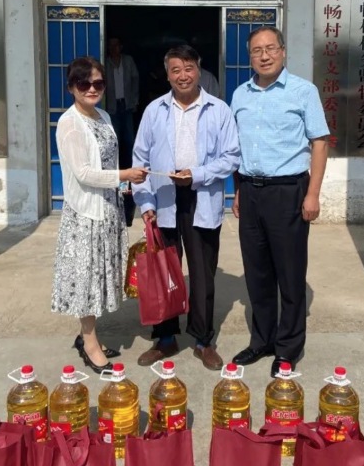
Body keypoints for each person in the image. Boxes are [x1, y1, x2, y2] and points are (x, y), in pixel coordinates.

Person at [132, 45, 241, 370]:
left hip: (201, 197)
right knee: (164, 270)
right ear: (167, 74)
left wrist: (197, 174)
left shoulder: (218, 110)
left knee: (203, 273)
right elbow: (141, 159)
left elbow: (231, 157)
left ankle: (203, 339)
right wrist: (146, 202)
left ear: (200, 70)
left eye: (189, 68)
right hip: (164, 196)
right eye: (176, 69)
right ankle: (165, 338)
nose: (183, 75)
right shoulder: (154, 110)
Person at [230, 27, 329, 377]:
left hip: (288, 191)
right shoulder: (239, 94)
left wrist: (312, 193)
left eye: (271, 48)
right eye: (257, 50)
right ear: (250, 56)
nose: (264, 55)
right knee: (257, 273)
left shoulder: (303, 91)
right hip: (251, 192)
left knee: (289, 274)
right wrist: (238, 188)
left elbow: (320, 142)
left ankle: (287, 348)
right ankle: (262, 340)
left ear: (283, 52)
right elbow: (236, 148)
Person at [51, 56, 147, 373]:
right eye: (84, 83)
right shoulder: (69, 123)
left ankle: (90, 335)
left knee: (103, 278)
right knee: (88, 280)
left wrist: (122, 188)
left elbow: (105, 162)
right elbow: (84, 174)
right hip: (86, 214)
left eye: (98, 83)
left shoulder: (103, 116)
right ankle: (89, 343)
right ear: (71, 87)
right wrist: (124, 176)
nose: (92, 89)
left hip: (108, 208)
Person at [105, 36, 140, 226]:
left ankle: (132, 172)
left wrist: (134, 100)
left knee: (130, 140)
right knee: (114, 141)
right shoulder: (106, 63)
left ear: (121, 46)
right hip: (111, 106)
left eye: (116, 45)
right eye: (111, 45)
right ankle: (117, 173)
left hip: (126, 105)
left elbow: (135, 80)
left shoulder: (128, 61)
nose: (114, 48)